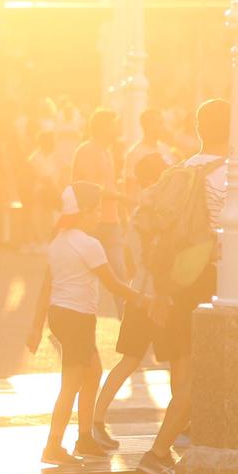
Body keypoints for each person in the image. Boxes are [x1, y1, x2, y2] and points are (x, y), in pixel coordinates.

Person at [136, 99, 231, 474]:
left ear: (198, 128)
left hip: (177, 277)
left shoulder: (182, 168)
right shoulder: (231, 175)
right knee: (203, 372)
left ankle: (182, 441)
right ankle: (158, 451)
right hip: (208, 275)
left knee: (184, 362)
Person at [25, 183, 152, 467]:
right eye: (95, 210)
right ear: (82, 212)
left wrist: (36, 326)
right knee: (71, 383)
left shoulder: (59, 241)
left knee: (92, 371)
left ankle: (84, 437)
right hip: (76, 319)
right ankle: (53, 445)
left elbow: (47, 286)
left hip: (63, 316)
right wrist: (145, 300)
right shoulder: (88, 244)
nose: (99, 216)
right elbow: (114, 284)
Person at [93, 151, 172, 445]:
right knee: (179, 362)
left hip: (140, 294)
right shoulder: (160, 211)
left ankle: (96, 420)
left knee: (129, 360)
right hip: (158, 297)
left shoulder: (138, 213)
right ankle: (184, 423)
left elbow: (130, 258)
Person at [70, 108, 127, 312]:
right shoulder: (88, 151)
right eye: (114, 124)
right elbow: (92, 189)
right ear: (104, 128)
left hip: (110, 219)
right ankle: (66, 317)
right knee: (80, 273)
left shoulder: (106, 151)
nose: (118, 128)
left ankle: (127, 320)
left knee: (119, 273)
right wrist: (122, 197)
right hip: (91, 221)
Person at [123, 108, 177, 203]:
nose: (163, 126)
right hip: (145, 210)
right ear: (147, 125)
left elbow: (173, 177)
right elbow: (130, 190)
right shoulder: (134, 153)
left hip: (165, 210)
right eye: (159, 123)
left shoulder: (166, 149)